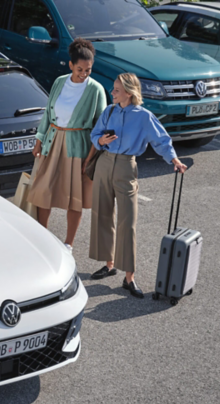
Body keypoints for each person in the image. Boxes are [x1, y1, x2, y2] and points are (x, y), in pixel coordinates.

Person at [87, 73, 188, 298]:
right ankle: (109, 264)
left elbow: (162, 140)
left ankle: (129, 277)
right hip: (104, 164)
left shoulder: (144, 117)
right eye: (113, 89)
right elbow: (94, 135)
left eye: (116, 90)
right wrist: (101, 141)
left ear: (130, 93)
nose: (112, 93)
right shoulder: (110, 111)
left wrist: (174, 160)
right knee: (102, 214)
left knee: (128, 222)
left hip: (125, 167)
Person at [27, 38, 107, 251]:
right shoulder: (59, 82)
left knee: (75, 199)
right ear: (71, 65)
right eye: (80, 68)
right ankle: (42, 237)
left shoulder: (96, 89)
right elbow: (48, 114)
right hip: (52, 143)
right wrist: (39, 139)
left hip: (78, 147)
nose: (84, 73)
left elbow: (99, 125)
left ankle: (68, 244)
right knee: (42, 192)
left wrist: (91, 157)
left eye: (88, 69)